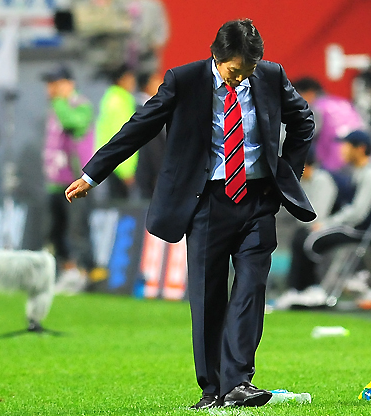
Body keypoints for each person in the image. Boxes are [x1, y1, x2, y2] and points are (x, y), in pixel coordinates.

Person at [66, 19, 315, 408]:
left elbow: (303, 122)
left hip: (257, 199)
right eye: (235, 71)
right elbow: (139, 127)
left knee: (251, 289)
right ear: (216, 56)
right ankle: (212, 389)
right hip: (207, 202)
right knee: (207, 296)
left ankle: (239, 382)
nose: (241, 78)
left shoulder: (270, 76)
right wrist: (92, 174)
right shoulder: (183, 81)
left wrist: (286, 174)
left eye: (249, 70)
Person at [279, 130, 371, 308]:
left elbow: (358, 213)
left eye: (347, 145)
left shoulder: (368, 174)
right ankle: (299, 290)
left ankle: (313, 288)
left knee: (311, 241)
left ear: (360, 149)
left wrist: (326, 224)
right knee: (303, 236)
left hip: (357, 230)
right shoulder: (356, 172)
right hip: (350, 226)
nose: (342, 150)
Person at [41, 65, 95, 294]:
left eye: (56, 83)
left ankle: (84, 274)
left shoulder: (79, 105)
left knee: (77, 229)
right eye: (49, 84)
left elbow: (73, 123)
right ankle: (69, 271)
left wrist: (60, 101)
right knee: (55, 231)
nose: (51, 88)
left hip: (75, 180)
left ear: (69, 84)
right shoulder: (55, 107)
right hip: (55, 181)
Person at [293, 77, 365, 173]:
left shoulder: (316, 108)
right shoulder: (343, 102)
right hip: (359, 161)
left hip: (332, 167)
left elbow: (304, 135)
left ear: (309, 93)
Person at [95, 64, 137, 200]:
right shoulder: (119, 101)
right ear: (121, 79)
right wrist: (126, 171)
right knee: (122, 203)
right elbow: (122, 135)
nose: (133, 82)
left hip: (111, 162)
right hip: (119, 165)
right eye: (130, 78)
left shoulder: (112, 98)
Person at [134, 72, 165, 198]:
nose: (161, 84)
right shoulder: (144, 109)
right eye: (156, 82)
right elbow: (152, 146)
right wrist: (158, 172)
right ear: (146, 86)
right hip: (149, 174)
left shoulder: (153, 107)